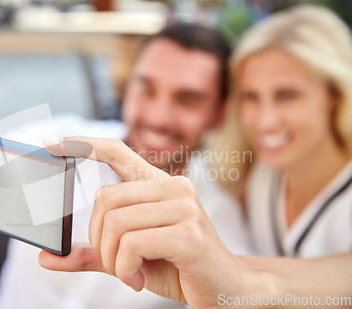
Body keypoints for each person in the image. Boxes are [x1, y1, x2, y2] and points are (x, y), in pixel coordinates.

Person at [0, 23, 253, 308]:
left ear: (218, 115)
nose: (159, 116)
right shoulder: (58, 141)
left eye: (188, 99)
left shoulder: (215, 218)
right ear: (127, 88)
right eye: (146, 89)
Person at [38, 4, 352, 308]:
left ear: (336, 95)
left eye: (288, 95)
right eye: (250, 96)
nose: (265, 120)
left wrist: (240, 284)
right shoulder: (255, 170)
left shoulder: (223, 201)